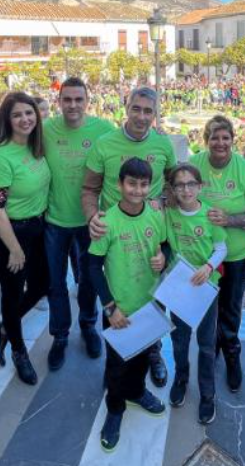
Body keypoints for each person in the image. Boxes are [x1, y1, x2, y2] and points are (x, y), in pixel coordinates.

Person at [82, 86, 177, 387]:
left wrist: (166, 204)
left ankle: (154, 352)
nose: (142, 116)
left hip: (150, 231)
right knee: (119, 293)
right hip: (115, 237)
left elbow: (173, 186)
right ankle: (116, 370)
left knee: (152, 295)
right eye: (136, 108)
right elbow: (89, 189)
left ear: (155, 113)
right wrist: (92, 218)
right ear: (126, 107)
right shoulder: (104, 144)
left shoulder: (163, 145)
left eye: (148, 111)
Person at [87, 158, 168, 451]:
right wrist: (110, 306)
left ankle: (137, 392)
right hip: (119, 308)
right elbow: (93, 267)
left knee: (144, 355)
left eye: (143, 184)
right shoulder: (107, 221)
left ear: (150, 186)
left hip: (149, 305)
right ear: (119, 185)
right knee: (117, 364)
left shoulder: (155, 216)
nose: (137, 189)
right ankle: (115, 408)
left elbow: (164, 245)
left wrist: (164, 258)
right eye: (131, 183)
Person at [41, 77, 114, 370]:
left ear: (87, 101)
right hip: (54, 221)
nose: (73, 105)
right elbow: (11, 145)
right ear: (59, 101)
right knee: (55, 282)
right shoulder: (45, 130)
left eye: (78, 99)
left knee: (89, 279)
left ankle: (87, 324)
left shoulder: (104, 130)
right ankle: (59, 335)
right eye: (67, 99)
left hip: (89, 220)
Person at [190, 115, 245, 393]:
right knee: (205, 306)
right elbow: (177, 195)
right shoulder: (194, 164)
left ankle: (232, 354)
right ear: (206, 140)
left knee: (231, 307)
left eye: (226, 138)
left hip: (235, 254)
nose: (220, 143)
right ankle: (210, 352)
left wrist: (230, 219)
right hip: (201, 254)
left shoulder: (244, 169)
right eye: (214, 137)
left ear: (233, 140)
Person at [0, 92, 51, 386]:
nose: (25, 119)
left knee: (42, 285)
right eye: (17, 115)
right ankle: (18, 350)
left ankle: (3, 330)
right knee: (12, 294)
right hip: (11, 234)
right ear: (6, 120)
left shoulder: (37, 147)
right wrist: (14, 249)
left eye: (29, 113)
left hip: (38, 228)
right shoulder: (0, 156)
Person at [164, 163, 227, 424]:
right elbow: (161, 243)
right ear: (173, 189)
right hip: (180, 288)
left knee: (206, 342)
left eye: (191, 184)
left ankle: (207, 392)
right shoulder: (168, 215)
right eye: (180, 185)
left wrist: (209, 265)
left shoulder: (210, 215)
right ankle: (181, 377)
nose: (186, 189)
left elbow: (222, 248)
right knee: (179, 338)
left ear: (200, 187)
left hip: (205, 288)